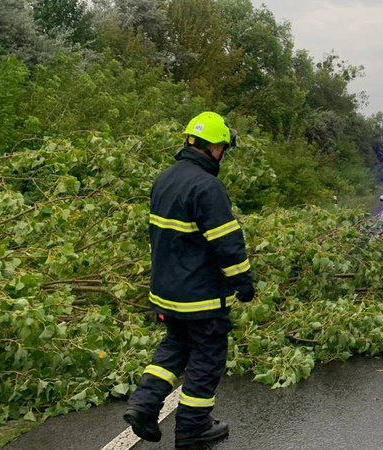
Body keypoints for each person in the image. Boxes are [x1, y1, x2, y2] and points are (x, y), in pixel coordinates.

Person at [123, 112, 256, 447]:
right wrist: (244, 283)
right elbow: (227, 243)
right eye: (223, 148)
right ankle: (193, 428)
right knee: (207, 359)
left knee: (174, 347)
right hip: (201, 296)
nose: (223, 154)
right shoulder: (207, 187)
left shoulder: (164, 179)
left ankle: (143, 406)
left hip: (167, 291)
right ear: (213, 147)